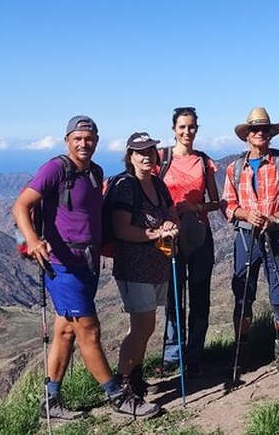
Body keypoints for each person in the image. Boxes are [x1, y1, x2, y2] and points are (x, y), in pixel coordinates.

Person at [12, 116, 159, 419]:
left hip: (89, 264)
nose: (83, 143)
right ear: (67, 140)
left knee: (65, 332)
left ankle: (50, 401)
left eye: (88, 138)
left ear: (97, 140)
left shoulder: (96, 172)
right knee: (89, 331)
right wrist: (34, 241)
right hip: (61, 266)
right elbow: (21, 205)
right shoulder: (55, 169)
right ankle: (118, 396)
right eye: (77, 138)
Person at [222, 106, 279, 376]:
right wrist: (246, 213)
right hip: (246, 237)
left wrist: (275, 218)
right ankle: (241, 351)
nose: (260, 133)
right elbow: (228, 206)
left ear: (270, 134)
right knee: (243, 297)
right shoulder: (235, 169)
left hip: (277, 235)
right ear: (247, 135)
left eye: (264, 129)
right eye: (255, 129)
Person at [108, 131, 179, 403]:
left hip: (157, 265)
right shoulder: (126, 186)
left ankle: (134, 375)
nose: (147, 156)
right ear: (130, 157)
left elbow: (171, 215)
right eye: (141, 152)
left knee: (144, 327)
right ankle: (122, 383)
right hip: (134, 267)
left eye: (151, 151)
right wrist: (155, 234)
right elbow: (121, 229)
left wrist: (172, 227)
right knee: (142, 326)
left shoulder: (158, 185)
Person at [157, 107, 225, 378]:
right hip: (168, 236)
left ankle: (194, 356)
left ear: (197, 129)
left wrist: (195, 207)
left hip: (199, 234)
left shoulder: (204, 162)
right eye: (182, 127)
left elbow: (216, 202)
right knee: (173, 296)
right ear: (174, 129)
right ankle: (173, 354)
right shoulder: (161, 158)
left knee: (199, 296)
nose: (187, 132)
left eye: (192, 127)